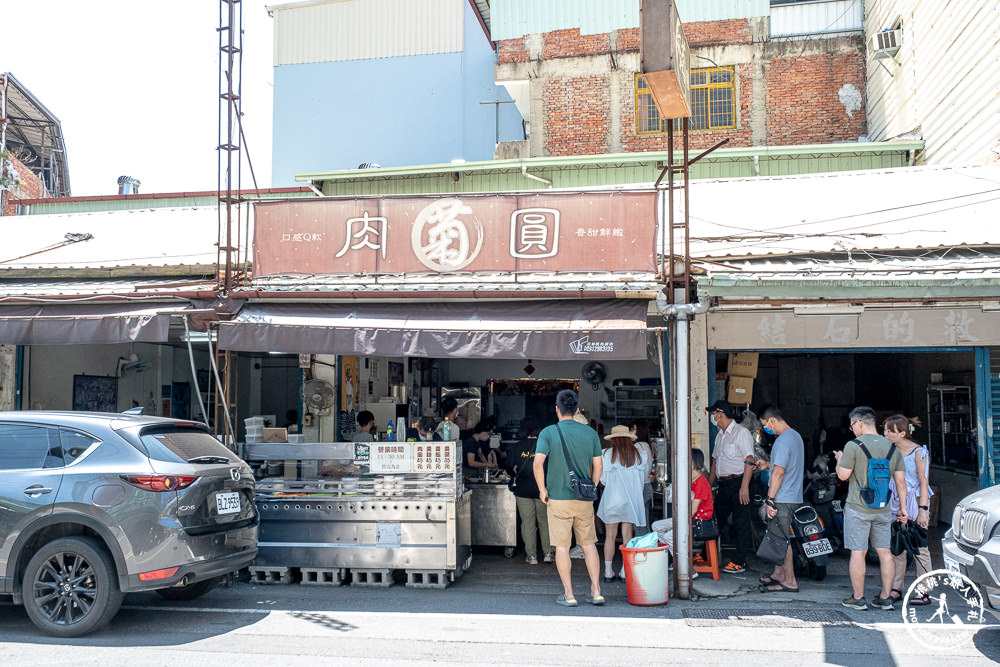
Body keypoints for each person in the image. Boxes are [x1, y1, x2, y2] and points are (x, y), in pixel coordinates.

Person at [534, 389, 604, 607]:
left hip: (558, 499)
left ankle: (569, 594)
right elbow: (599, 466)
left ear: (557, 409)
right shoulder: (590, 433)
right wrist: (591, 486)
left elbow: (537, 463)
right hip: (584, 499)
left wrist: (542, 489)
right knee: (589, 544)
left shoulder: (548, 433)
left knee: (562, 547)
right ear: (576, 410)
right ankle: (596, 591)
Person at [834, 406, 907, 611]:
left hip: (858, 508)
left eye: (852, 426)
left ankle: (858, 598)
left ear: (858, 423)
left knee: (859, 552)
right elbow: (901, 483)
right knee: (885, 553)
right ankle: (885, 597)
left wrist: (840, 460)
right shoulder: (893, 447)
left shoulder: (853, 445)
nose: (852, 430)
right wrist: (902, 508)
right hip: (884, 509)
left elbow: (843, 476)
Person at [883, 414, 933, 606]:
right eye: (885, 430)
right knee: (897, 547)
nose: (885, 433)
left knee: (920, 547)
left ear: (902, 433)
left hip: (916, 501)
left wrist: (923, 509)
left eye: (889, 430)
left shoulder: (919, 452)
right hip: (896, 501)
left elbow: (924, 481)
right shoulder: (890, 451)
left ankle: (924, 590)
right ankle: (896, 588)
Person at [757, 405, 804, 594]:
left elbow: (779, 472)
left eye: (765, 425)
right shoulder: (796, 436)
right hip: (792, 495)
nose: (766, 429)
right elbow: (784, 465)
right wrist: (767, 464)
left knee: (781, 540)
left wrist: (770, 500)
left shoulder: (782, 441)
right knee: (777, 537)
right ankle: (779, 573)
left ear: (772, 421)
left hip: (782, 497)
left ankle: (790, 581)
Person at [706, 399, 755, 574]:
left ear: (720, 413)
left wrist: (744, 487)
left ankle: (739, 561)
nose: (712, 417)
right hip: (723, 485)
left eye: (713, 413)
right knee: (714, 519)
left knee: (741, 522)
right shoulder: (720, 435)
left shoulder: (741, 433)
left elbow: (750, 459)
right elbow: (715, 463)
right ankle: (708, 555)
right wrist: (709, 487)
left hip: (740, 482)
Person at [597, 425, 648, 582]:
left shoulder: (606, 454)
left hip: (612, 499)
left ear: (613, 440)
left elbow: (603, 480)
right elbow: (643, 479)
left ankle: (607, 572)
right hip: (632, 500)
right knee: (627, 536)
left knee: (610, 536)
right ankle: (625, 572)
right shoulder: (640, 454)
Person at [652, 448, 713, 576]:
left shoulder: (701, 482)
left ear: (693, 463)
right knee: (656, 526)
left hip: (698, 522)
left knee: (669, 536)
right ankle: (676, 559)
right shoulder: (691, 480)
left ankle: (688, 568)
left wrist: (678, 523)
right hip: (687, 519)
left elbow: (693, 510)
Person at [505, 417, 552, 565]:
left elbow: (509, 468)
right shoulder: (545, 446)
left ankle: (531, 556)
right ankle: (548, 553)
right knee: (544, 522)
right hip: (542, 490)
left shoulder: (516, 447)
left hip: (523, 490)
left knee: (527, 523)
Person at [630, 419, 655, 535]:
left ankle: (642, 551)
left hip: (639, 488)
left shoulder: (638, 446)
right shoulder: (646, 445)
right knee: (644, 523)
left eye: (633, 429)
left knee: (639, 525)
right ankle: (649, 549)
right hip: (646, 486)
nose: (631, 432)